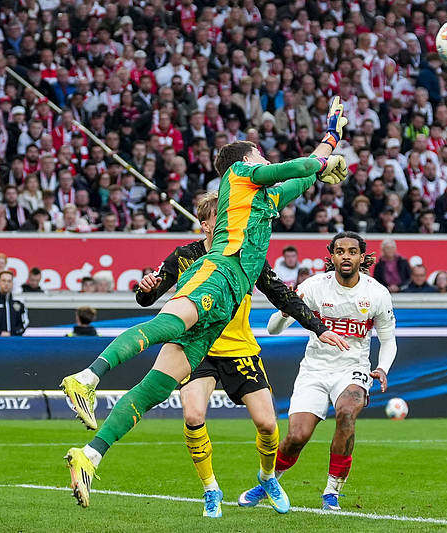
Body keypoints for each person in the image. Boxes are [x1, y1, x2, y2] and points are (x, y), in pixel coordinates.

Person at [61, 97, 350, 509]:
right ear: (247, 160)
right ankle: (87, 378)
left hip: (227, 303)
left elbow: (303, 176)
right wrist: (320, 163)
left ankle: (90, 455)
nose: (263, 158)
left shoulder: (266, 201)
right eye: (259, 153)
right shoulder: (238, 173)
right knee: (170, 323)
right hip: (218, 270)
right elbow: (297, 168)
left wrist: (331, 137)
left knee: (155, 388)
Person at [134, 192, 346, 517]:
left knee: (267, 424)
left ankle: (268, 477)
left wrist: (318, 328)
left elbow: (282, 295)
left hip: (239, 348)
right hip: (197, 347)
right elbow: (148, 298)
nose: (231, 222)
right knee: (193, 416)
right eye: (222, 217)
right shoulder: (184, 256)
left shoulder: (249, 256)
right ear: (206, 225)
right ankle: (211, 489)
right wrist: (145, 289)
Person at [238, 232, 395, 512]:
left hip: (353, 368)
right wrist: (285, 312)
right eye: (340, 251)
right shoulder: (313, 287)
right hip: (314, 369)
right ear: (331, 256)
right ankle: (268, 482)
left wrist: (382, 367)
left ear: (362, 257)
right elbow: (273, 329)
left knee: (347, 412)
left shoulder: (377, 293)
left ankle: (332, 492)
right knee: (297, 436)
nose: (346, 256)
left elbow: (388, 340)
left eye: (352, 251)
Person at [0, 270, 28, 336]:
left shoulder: (20, 303)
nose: (6, 284)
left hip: (16, 340)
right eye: (3, 281)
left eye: (9, 281)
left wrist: (12, 334)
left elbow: (25, 323)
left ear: (12, 284)